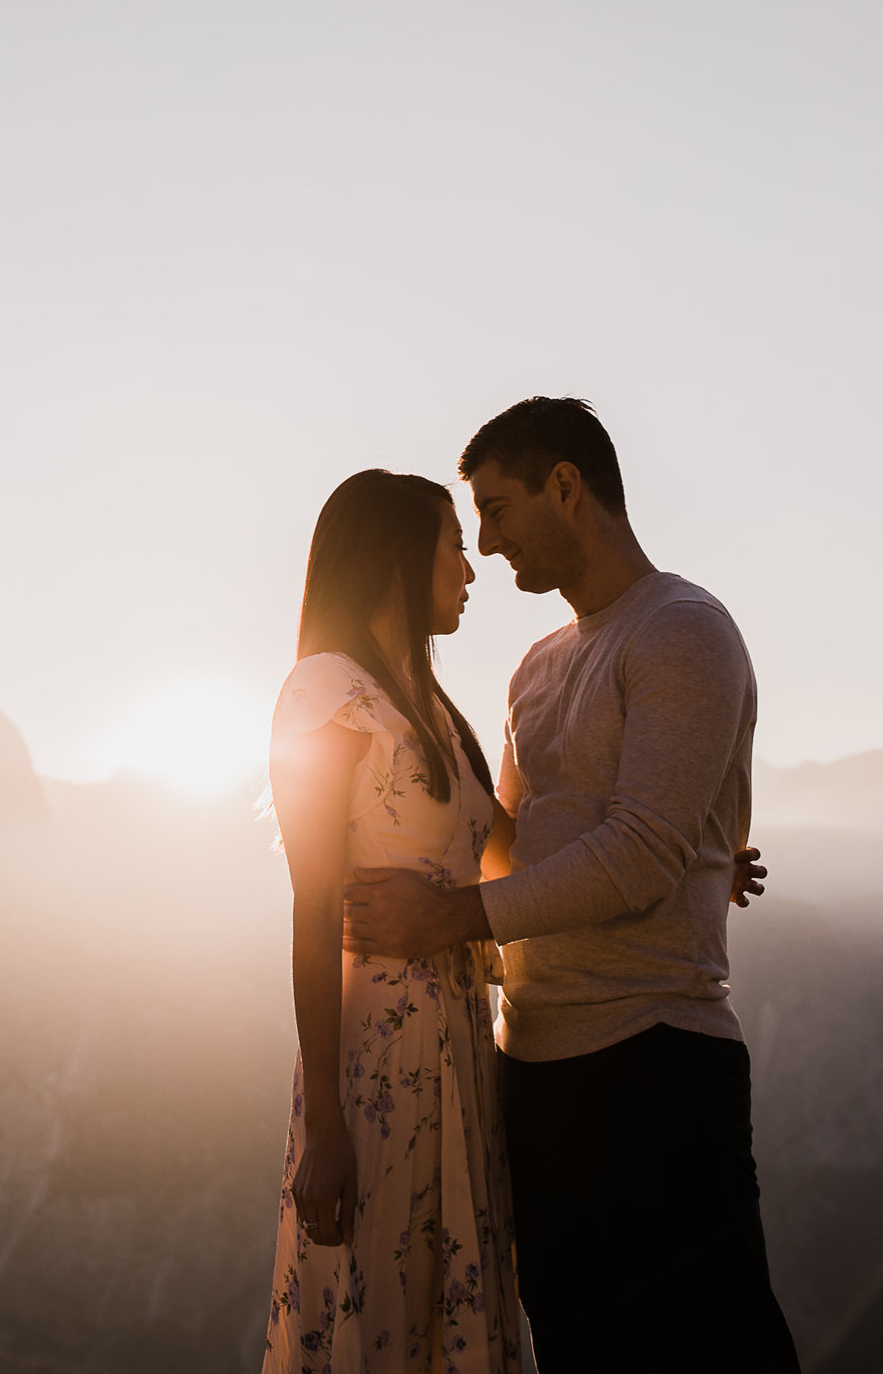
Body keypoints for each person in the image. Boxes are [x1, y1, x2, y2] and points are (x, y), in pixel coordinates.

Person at [343, 398, 797, 1371]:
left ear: (566, 485)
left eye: (499, 510)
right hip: (535, 1074)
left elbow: (636, 854)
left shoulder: (680, 631)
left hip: (654, 1063)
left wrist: (448, 917)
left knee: (712, 1350)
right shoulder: (536, 667)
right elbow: (519, 847)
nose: (487, 542)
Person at [261, 469, 523, 1372]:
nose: (470, 568)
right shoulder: (328, 690)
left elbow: (517, 851)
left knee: (447, 1307)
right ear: (396, 559)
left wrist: (684, 857)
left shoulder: (434, 710)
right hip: (380, 1055)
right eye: (454, 545)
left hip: (459, 1049)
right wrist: (327, 1123)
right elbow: (311, 908)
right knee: (383, 1311)